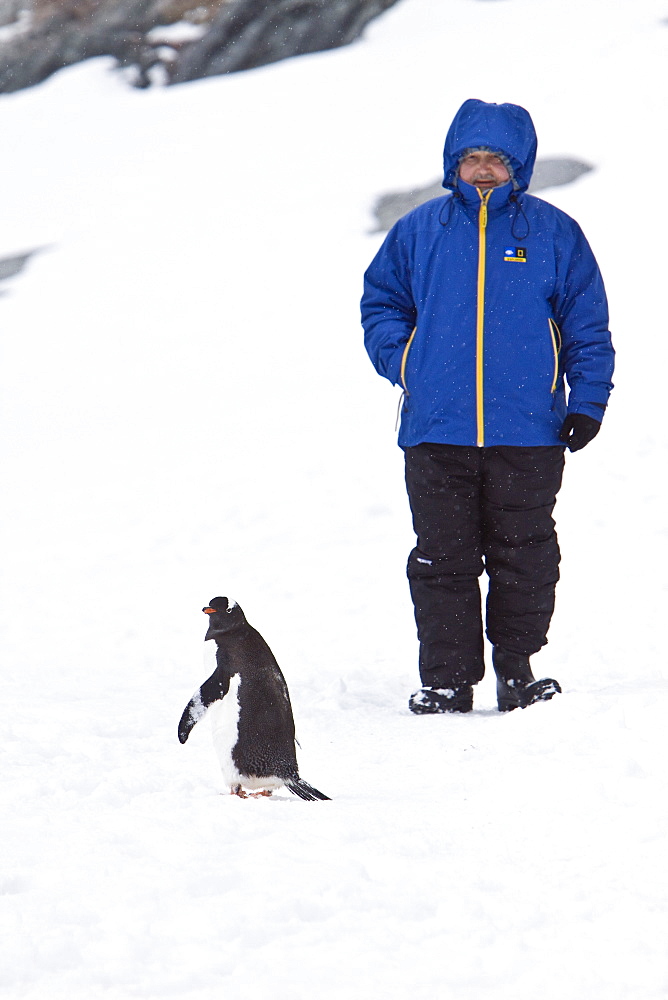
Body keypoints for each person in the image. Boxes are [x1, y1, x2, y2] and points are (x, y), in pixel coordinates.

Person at [361, 98, 614, 714]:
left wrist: (588, 402)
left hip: (528, 428)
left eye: (495, 161)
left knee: (524, 553)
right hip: (436, 428)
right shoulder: (420, 230)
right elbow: (381, 304)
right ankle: (448, 680)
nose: (481, 171)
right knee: (441, 557)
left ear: (518, 167)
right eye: (471, 158)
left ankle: (517, 671)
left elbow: (587, 324)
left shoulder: (554, 232)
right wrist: (406, 364)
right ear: (453, 163)